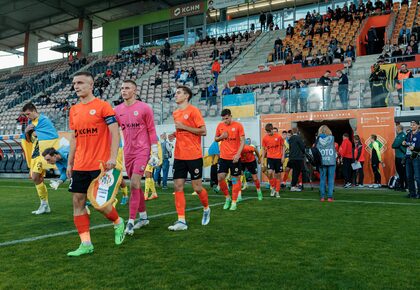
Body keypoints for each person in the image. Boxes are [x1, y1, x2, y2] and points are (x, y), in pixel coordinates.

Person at [66, 71, 125, 257]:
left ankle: (117, 222)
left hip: (101, 164)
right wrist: (70, 163)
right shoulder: (73, 110)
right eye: (75, 83)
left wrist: (112, 158)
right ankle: (86, 244)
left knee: (100, 204)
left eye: (81, 82)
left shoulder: (103, 106)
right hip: (80, 164)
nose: (76, 86)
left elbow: (115, 134)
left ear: (91, 85)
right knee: (78, 201)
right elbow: (74, 139)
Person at [114, 79, 160, 235]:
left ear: (135, 90)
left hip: (142, 150)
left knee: (134, 182)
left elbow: (152, 130)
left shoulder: (145, 108)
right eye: (122, 88)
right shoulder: (117, 110)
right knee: (136, 186)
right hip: (127, 151)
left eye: (127, 88)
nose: (123, 90)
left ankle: (131, 222)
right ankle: (144, 217)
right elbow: (114, 131)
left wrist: (154, 151)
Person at [167, 86, 209, 230]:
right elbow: (182, 130)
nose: (176, 95)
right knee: (178, 186)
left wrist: (184, 128)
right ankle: (181, 221)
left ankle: (206, 208)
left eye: (178, 93)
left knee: (197, 187)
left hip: (194, 155)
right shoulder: (176, 113)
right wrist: (175, 134)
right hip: (179, 155)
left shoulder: (193, 111)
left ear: (186, 96)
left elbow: (203, 131)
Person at [21, 102, 59, 215]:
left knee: (35, 177)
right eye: (26, 115)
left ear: (34, 110)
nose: (27, 117)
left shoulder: (44, 120)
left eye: (28, 114)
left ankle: (44, 204)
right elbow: (28, 139)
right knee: (36, 178)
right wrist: (27, 131)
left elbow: (51, 134)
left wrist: (34, 132)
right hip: (35, 152)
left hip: (43, 153)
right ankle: (45, 204)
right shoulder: (30, 122)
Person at [215, 109, 245, 211]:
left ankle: (234, 202)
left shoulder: (238, 125)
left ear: (231, 116)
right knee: (220, 177)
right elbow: (215, 138)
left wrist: (238, 154)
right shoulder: (220, 126)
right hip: (223, 157)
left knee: (234, 179)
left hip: (234, 158)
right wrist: (221, 137)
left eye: (226, 118)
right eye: (223, 119)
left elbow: (242, 141)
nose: (225, 121)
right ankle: (227, 198)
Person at [262, 123, 284, 198]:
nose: (268, 133)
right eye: (267, 132)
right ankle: (273, 187)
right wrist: (262, 159)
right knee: (270, 173)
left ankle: (277, 191)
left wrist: (283, 156)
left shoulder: (278, 137)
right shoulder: (265, 138)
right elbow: (264, 150)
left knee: (277, 175)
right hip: (270, 158)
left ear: (272, 129)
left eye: (269, 131)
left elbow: (283, 146)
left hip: (278, 158)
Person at [316, 125, 337, 202]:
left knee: (322, 179)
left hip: (322, 161)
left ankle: (322, 197)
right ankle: (330, 197)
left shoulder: (317, 139)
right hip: (331, 160)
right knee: (331, 179)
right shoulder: (332, 138)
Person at [402, 120, 420, 198]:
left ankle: (419, 193)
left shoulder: (419, 134)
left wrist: (414, 148)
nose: (412, 126)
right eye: (411, 125)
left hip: (416, 157)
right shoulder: (409, 134)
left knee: (417, 177)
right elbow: (407, 143)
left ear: (418, 126)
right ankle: (412, 193)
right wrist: (404, 143)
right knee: (409, 176)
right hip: (408, 157)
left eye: (413, 124)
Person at [288, 127, 305, 192]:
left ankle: (293, 185)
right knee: (296, 172)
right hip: (298, 158)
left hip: (292, 157)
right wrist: (303, 152)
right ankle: (293, 186)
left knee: (294, 172)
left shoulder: (290, 139)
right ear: (297, 131)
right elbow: (303, 147)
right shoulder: (298, 138)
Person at [392, 124, 407, 191]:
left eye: (396, 128)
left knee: (403, 172)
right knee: (400, 172)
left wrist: (397, 144)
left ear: (399, 129)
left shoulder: (402, 135)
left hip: (401, 156)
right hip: (398, 156)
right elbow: (393, 145)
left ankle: (405, 186)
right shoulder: (399, 135)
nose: (395, 129)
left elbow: (395, 145)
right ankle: (402, 185)